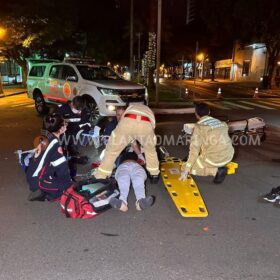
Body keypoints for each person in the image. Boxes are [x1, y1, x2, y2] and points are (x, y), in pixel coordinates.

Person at [94, 103, 159, 183]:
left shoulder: (125, 118)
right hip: (146, 123)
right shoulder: (148, 112)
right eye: (118, 115)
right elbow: (151, 130)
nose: (119, 117)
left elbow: (129, 138)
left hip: (128, 121)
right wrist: (143, 150)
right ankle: (154, 175)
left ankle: (101, 175)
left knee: (111, 152)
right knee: (151, 151)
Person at [180, 103, 234, 184]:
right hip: (228, 156)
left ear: (196, 114)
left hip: (213, 160)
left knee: (184, 167)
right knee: (207, 144)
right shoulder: (221, 123)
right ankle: (214, 165)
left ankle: (215, 171)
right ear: (209, 112)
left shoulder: (199, 128)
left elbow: (194, 151)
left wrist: (186, 170)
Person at [26, 114, 72, 201]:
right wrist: (68, 182)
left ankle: (43, 188)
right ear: (61, 128)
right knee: (68, 187)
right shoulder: (54, 144)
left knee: (60, 180)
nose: (66, 124)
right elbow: (62, 168)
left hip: (32, 175)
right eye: (65, 123)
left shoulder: (46, 137)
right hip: (38, 180)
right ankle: (43, 192)